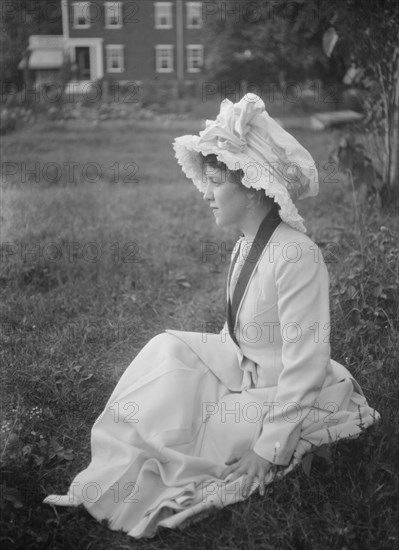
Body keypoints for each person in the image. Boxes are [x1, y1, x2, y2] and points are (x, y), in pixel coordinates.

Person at [43, 94, 379, 538]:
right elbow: (240, 326)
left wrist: (271, 447)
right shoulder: (246, 243)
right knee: (166, 353)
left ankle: (145, 483)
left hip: (281, 388)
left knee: (205, 434)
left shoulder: (296, 254)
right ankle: (106, 477)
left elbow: (306, 360)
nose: (206, 193)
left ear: (254, 186)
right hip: (242, 366)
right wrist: (208, 363)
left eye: (216, 181)